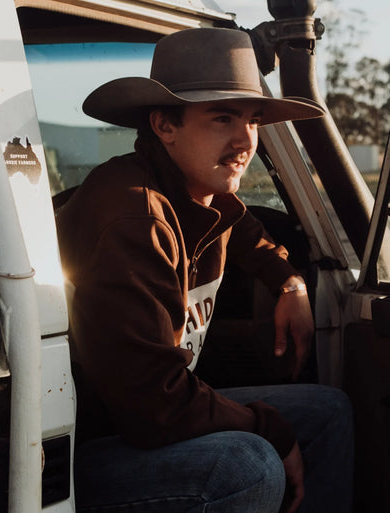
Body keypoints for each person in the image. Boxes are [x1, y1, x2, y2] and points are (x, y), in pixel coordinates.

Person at [56, 28, 351, 513]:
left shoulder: (197, 192)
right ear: (164, 126)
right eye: (222, 118)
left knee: (327, 410)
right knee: (248, 465)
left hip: (151, 416)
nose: (245, 140)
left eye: (253, 120)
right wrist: (269, 430)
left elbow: (245, 230)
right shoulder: (135, 218)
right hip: (86, 450)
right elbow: (154, 403)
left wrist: (290, 282)